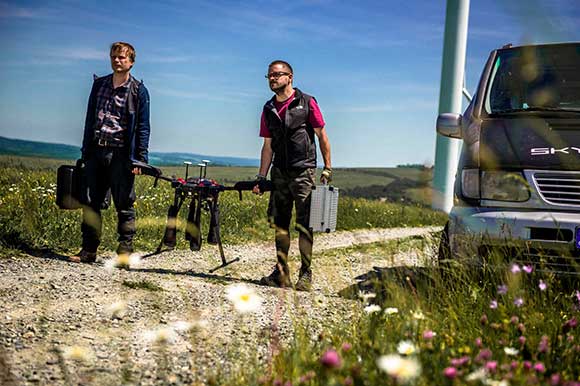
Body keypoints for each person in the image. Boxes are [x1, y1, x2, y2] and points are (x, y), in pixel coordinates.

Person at [253, 60, 332, 291]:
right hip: (279, 172)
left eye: (277, 75)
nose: (272, 79)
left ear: (290, 77)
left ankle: (305, 274)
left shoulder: (307, 102)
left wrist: (327, 167)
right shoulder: (268, 109)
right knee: (280, 226)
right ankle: (281, 273)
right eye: (269, 76)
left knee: (305, 225)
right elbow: (267, 146)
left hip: (303, 171)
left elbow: (322, 136)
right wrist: (261, 176)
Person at [70, 42, 151, 263]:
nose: (117, 60)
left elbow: (143, 127)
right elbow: (89, 118)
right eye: (114, 56)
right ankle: (88, 251)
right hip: (97, 150)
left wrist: (140, 160)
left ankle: (124, 253)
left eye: (122, 57)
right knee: (90, 202)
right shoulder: (99, 85)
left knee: (124, 204)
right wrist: (86, 151)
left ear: (131, 62)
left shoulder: (138, 91)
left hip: (121, 155)